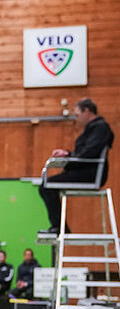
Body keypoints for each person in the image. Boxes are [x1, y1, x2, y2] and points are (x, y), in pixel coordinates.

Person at [39, 98, 114, 234]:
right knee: (46, 184)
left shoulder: (100, 128)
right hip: (86, 170)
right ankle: (60, 227)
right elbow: (84, 153)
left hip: (90, 174)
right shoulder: (94, 129)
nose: (77, 119)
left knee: (46, 186)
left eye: (77, 115)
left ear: (87, 111)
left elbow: (89, 154)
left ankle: (59, 228)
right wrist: (67, 154)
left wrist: (69, 162)